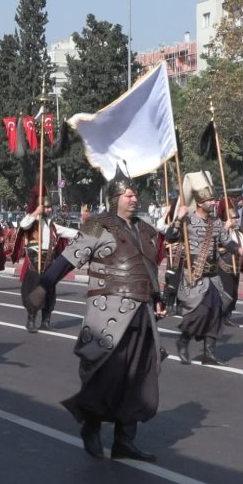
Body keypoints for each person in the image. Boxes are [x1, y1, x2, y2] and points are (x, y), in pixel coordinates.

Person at [27, 169, 165, 462]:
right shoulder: (97, 225)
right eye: (129, 194)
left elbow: (148, 269)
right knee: (108, 376)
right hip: (109, 315)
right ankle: (91, 426)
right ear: (115, 198)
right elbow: (70, 256)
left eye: (135, 194)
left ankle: (124, 441)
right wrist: (44, 285)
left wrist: (158, 297)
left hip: (141, 313)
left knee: (139, 378)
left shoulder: (144, 229)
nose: (134, 198)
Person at [165, 172, 239, 366]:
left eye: (214, 200)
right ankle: (184, 340)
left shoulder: (215, 223)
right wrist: (178, 219)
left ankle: (209, 353)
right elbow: (170, 237)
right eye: (210, 201)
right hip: (194, 275)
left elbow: (226, 241)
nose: (214, 203)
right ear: (200, 203)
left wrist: (240, 250)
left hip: (213, 276)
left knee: (216, 312)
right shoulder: (188, 220)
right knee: (200, 312)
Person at [14, 190, 78, 332]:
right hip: (34, 265)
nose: (49, 210)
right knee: (33, 293)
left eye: (50, 207)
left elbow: (72, 233)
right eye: (46, 207)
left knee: (49, 294)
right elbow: (23, 225)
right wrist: (36, 212)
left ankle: (46, 320)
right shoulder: (31, 222)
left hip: (48, 266)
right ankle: (31, 320)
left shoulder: (53, 226)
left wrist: (93, 233)